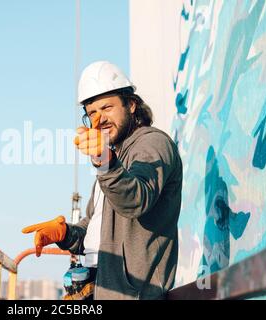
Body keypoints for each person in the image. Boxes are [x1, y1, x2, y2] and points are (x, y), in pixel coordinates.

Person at [22, 61, 183, 300]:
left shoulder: (152, 143)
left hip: (132, 295)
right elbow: (95, 230)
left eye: (107, 108)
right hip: (98, 290)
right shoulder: (112, 160)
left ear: (131, 104)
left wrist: (104, 160)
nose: (99, 120)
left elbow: (135, 199)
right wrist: (65, 234)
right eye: (92, 113)